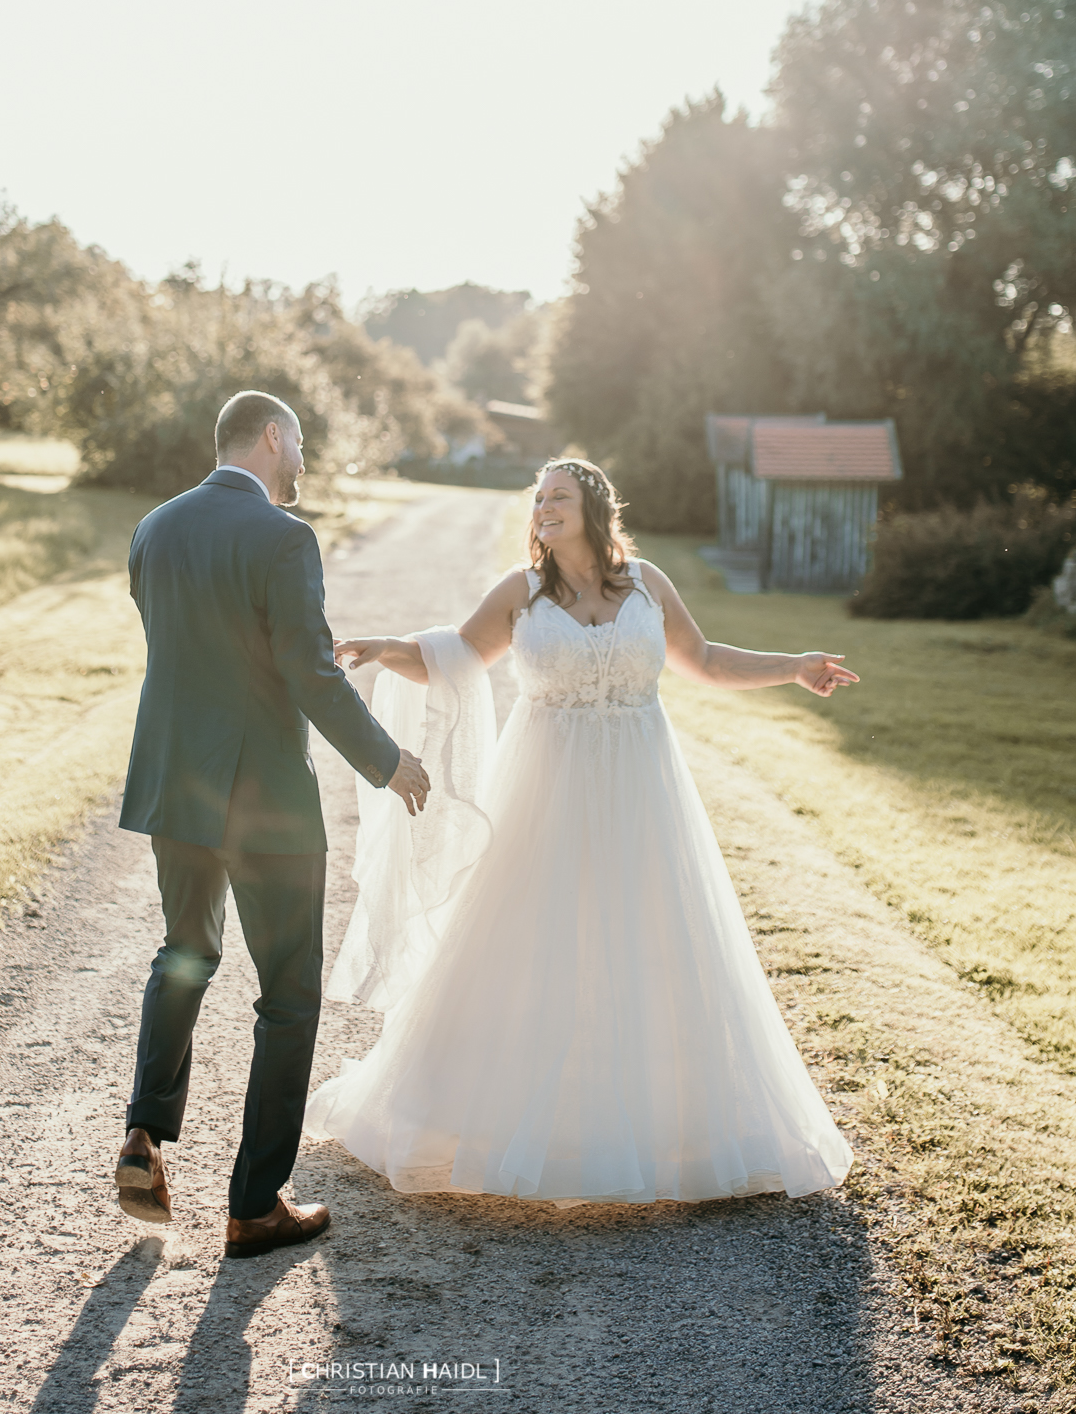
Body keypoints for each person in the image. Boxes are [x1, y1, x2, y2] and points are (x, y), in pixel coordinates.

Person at [304, 458, 856, 1205]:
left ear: (593, 505)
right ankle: (478, 1121)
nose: (542, 508)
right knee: (526, 939)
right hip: (545, 791)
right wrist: (384, 648)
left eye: (556, 496)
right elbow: (451, 657)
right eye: (536, 500)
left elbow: (707, 661)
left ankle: (672, 1133)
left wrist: (793, 667)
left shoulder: (648, 583)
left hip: (642, 791)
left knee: (649, 940)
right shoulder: (522, 590)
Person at [113, 391, 430, 1257]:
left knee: (184, 953)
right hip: (267, 804)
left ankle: (143, 1132)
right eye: (299, 444)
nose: (303, 461)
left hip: (175, 789)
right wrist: (386, 757)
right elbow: (308, 674)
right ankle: (255, 1206)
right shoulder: (285, 539)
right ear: (271, 436)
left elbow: (177, 650)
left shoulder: (153, 529)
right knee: (287, 998)